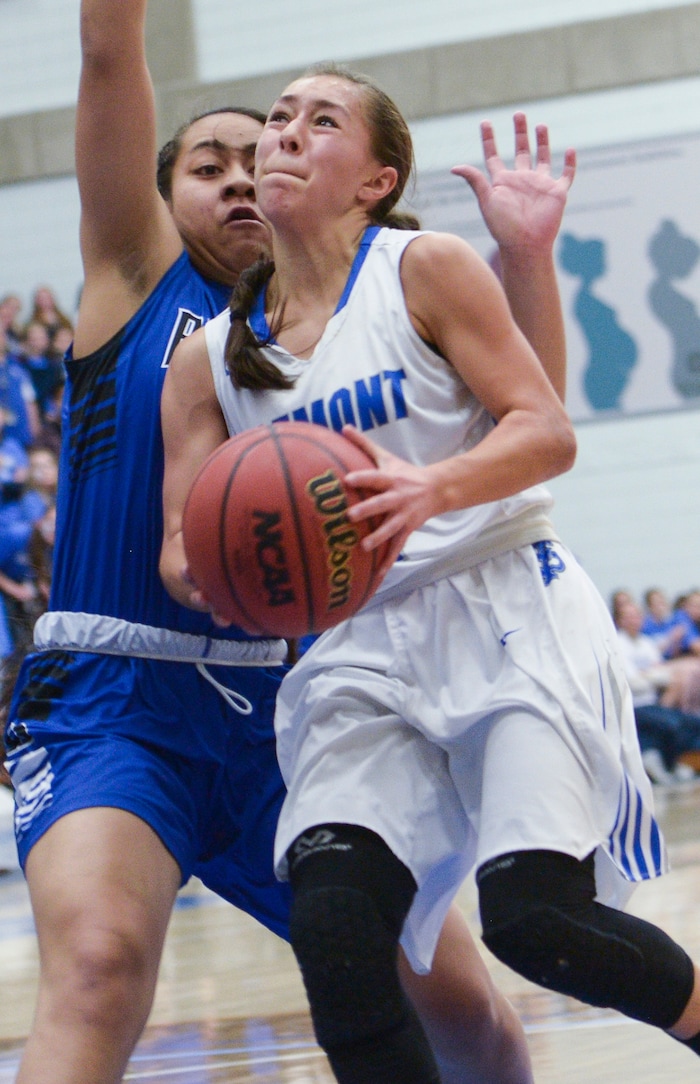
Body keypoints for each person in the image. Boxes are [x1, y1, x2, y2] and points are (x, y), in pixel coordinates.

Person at [0, 5, 559, 1084]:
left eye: (262, 159)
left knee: (458, 1000)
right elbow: (110, 50)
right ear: (157, 200)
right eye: (210, 164)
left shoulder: (344, 326)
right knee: (102, 966)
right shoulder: (135, 276)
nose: (244, 177)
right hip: (114, 703)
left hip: (291, 708)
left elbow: (527, 410)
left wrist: (524, 262)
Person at [161, 63, 700, 1083]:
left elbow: (544, 430)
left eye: (319, 122)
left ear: (374, 177)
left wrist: (430, 488)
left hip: (501, 596)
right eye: (276, 118)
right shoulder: (211, 359)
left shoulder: (424, 266)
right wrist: (228, 574)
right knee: (332, 922)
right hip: (355, 642)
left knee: (539, 921)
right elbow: (181, 552)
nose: (283, 134)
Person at [614, 594, 700, 783]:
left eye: (636, 615)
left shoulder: (646, 643)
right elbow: (632, 683)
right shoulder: (617, 645)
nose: (634, 620)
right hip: (636, 705)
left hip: (654, 702)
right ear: (620, 621)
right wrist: (653, 676)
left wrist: (647, 675)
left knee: (694, 722)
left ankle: (684, 762)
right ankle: (668, 763)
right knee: (672, 724)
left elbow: (666, 675)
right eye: (628, 617)